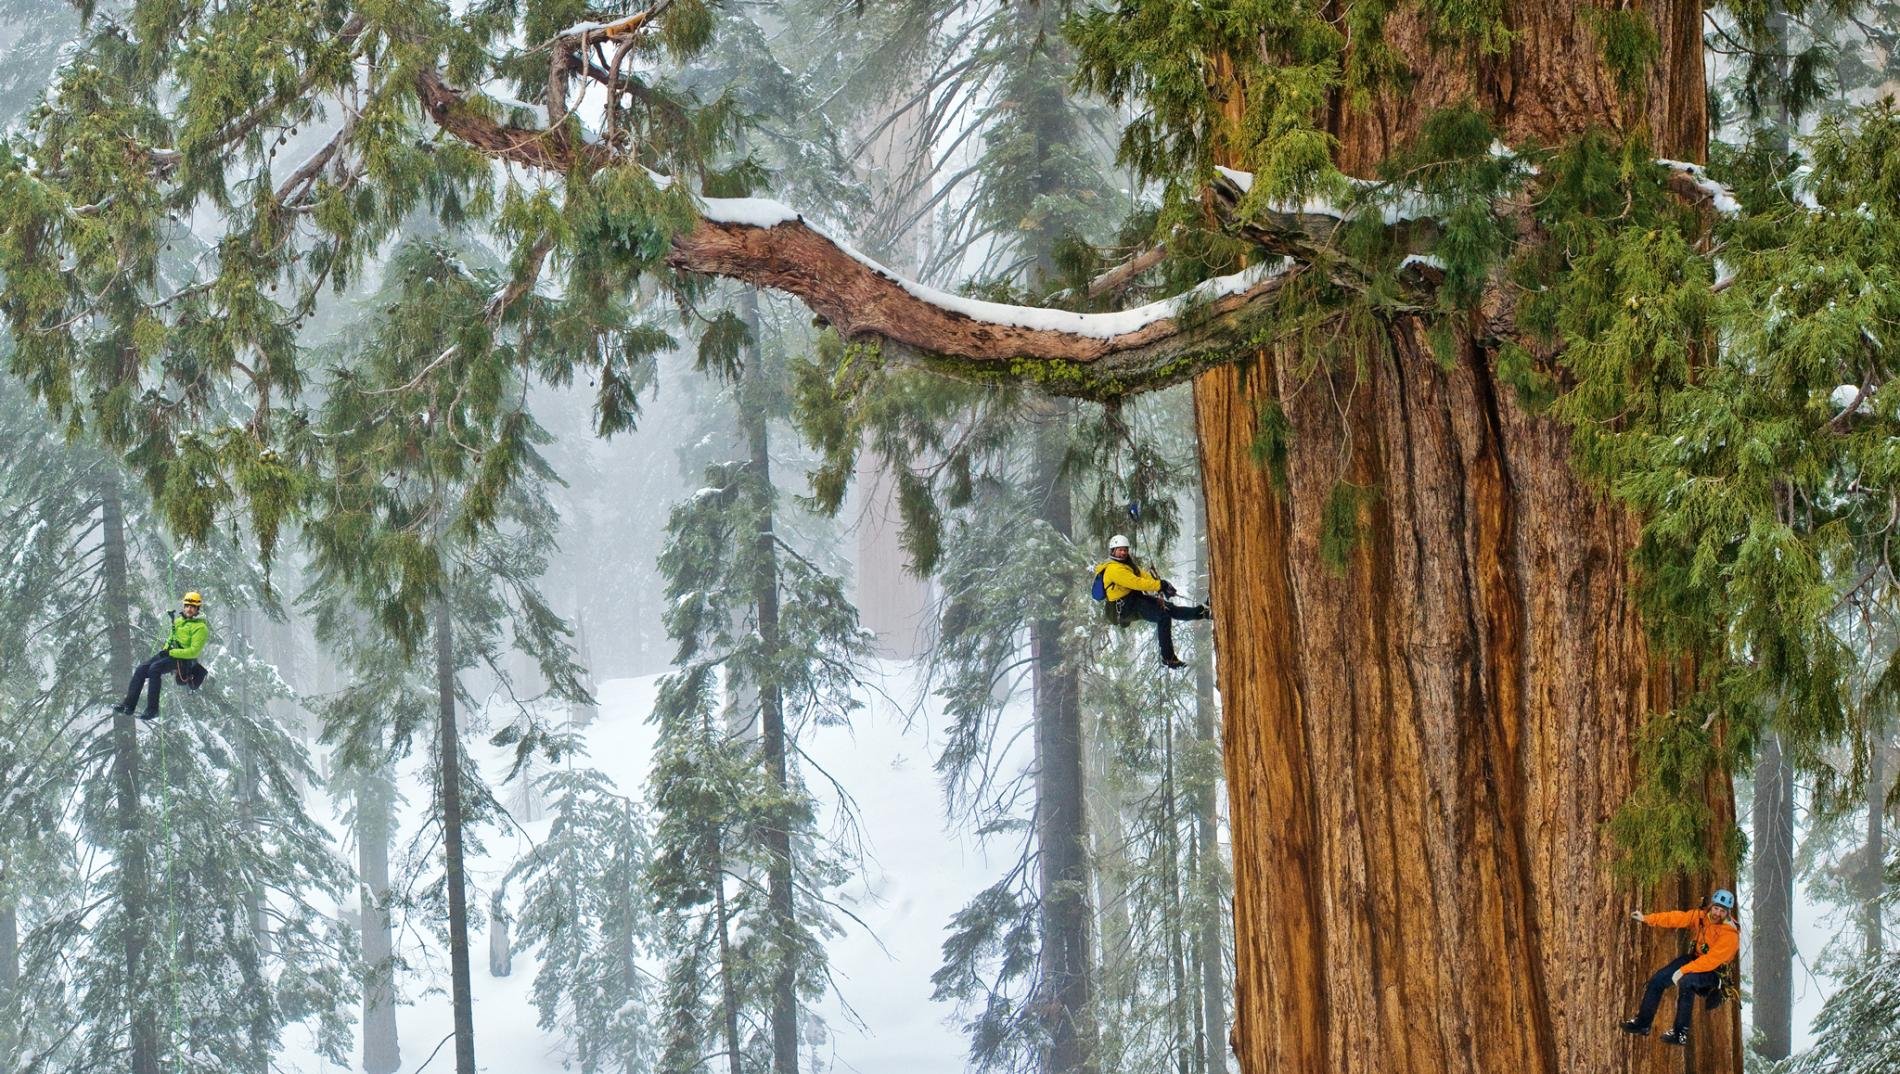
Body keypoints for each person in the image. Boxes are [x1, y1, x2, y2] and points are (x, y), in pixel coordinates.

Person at [1620, 888, 1740, 1046]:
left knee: (1687, 982)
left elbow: (1711, 961)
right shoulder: (1702, 916)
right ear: (1711, 906)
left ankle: (1680, 1033)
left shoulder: (1730, 935)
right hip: (1695, 959)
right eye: (1716, 908)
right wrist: (1647, 918)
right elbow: (1677, 918)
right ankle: (1642, 1023)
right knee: (1658, 979)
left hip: (1714, 971)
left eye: (1722, 911)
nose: (1717, 913)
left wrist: (1683, 971)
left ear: (1728, 913)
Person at [1094, 534, 1210, 669]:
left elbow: (1142, 575)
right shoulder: (1114, 569)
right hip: (1125, 606)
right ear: (1113, 551)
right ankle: (1168, 658)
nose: (1123, 552)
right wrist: (1160, 585)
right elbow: (1135, 582)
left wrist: (1161, 584)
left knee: (1169, 608)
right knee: (1163, 617)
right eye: (1120, 550)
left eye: (1125, 549)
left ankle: (1202, 612)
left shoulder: (1125, 564)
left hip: (1133, 599)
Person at [112, 591, 210, 721]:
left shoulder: (201, 628)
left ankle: (153, 710)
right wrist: (166, 649)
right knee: (141, 669)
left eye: (192, 607)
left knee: (155, 668)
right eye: (187, 606)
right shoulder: (180, 621)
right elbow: (171, 637)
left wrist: (172, 652)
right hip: (170, 653)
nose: (189, 609)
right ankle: (128, 705)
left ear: (197, 608)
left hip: (183, 659)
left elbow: (193, 651)